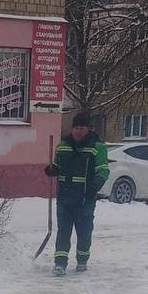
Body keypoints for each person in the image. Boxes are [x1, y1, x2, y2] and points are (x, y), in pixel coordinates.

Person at [44, 112, 109, 276]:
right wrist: (52, 170)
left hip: (85, 199)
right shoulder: (62, 146)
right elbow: (57, 166)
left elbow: (103, 170)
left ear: (87, 129)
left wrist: (95, 185)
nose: (78, 131)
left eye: (81, 128)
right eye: (75, 128)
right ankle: (60, 263)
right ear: (72, 129)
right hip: (65, 198)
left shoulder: (97, 148)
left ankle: (82, 260)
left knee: (84, 232)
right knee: (63, 231)